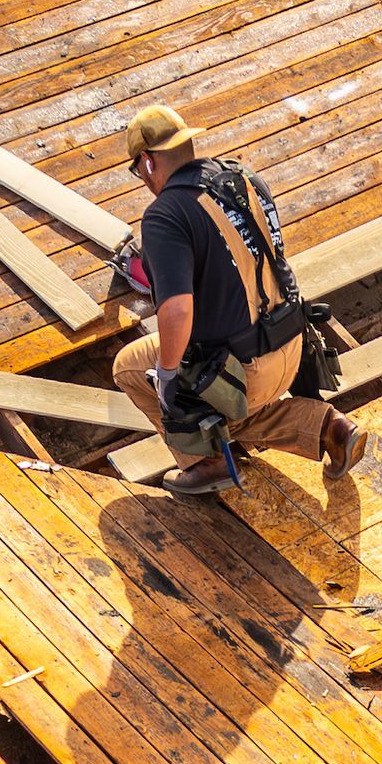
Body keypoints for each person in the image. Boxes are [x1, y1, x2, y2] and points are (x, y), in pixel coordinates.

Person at [111, 105, 367, 497]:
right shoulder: (244, 179)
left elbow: (177, 310)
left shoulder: (163, 216)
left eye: (137, 170)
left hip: (246, 372)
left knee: (133, 369)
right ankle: (330, 429)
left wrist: (165, 379)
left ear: (146, 162)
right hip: (293, 343)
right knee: (230, 399)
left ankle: (204, 462)